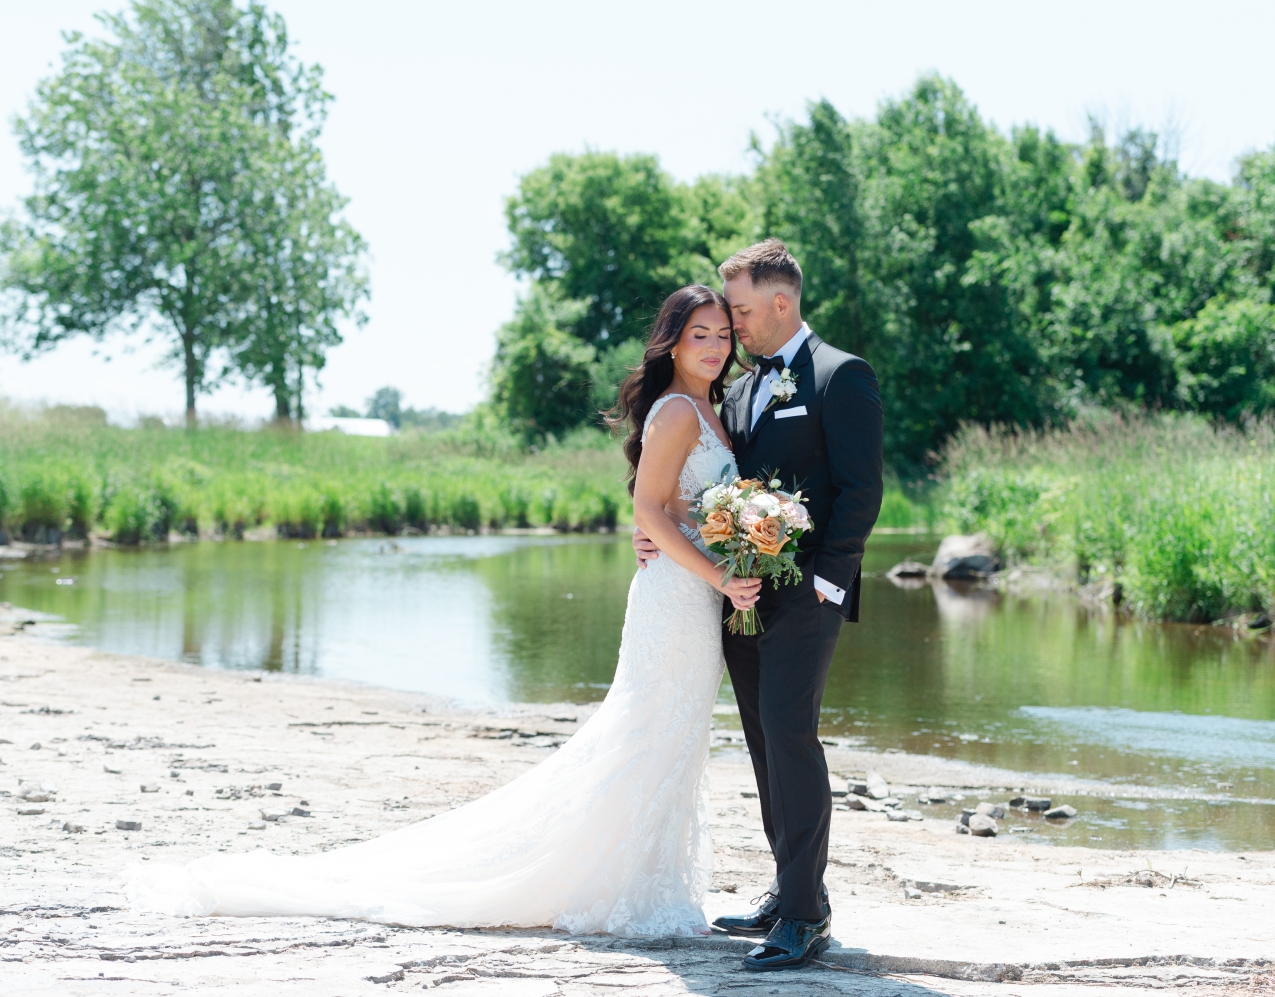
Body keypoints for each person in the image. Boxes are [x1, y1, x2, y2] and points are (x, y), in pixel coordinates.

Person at [126, 284, 762, 937]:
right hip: (676, 597)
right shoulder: (679, 411)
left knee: (670, 737)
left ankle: (641, 878)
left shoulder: (712, 409)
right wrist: (720, 571)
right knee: (643, 733)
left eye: (721, 335)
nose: (713, 347)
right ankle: (617, 885)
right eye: (699, 335)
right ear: (673, 341)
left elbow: (682, 507)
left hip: (698, 598)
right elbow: (648, 511)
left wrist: (737, 540)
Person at [635, 239, 883, 970]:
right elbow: (692, 478)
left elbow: (862, 490)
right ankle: (788, 886)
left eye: (740, 309)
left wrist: (828, 584)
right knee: (763, 741)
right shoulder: (739, 389)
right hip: (738, 598)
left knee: (791, 735)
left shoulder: (842, 376)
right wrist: (654, 529)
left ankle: (808, 916)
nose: (734, 325)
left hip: (808, 594)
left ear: (781, 301)